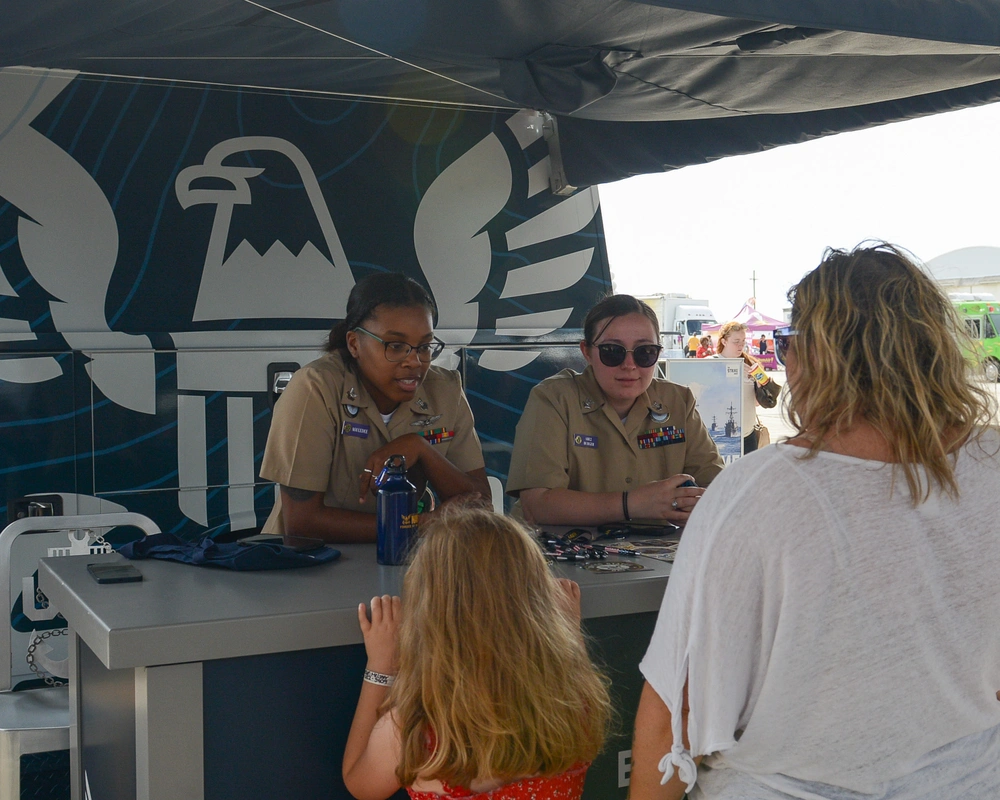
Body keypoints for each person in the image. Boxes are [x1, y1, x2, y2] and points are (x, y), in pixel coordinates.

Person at [630, 242, 1000, 800]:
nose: (785, 360)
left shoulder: (757, 490)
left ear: (819, 355)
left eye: (788, 343)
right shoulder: (992, 465)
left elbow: (671, 711)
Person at [342, 506, 612, 800]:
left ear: (428, 612)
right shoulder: (575, 700)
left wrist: (381, 666)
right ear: (540, 606)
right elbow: (575, 673)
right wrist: (570, 633)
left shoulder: (416, 727)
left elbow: (360, 784)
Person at [259, 272, 489, 542]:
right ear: (354, 343)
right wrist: (422, 524)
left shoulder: (445, 391)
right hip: (313, 567)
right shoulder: (316, 388)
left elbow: (482, 507)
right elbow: (302, 523)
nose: (414, 361)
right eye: (396, 345)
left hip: (407, 565)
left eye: (424, 346)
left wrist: (421, 449)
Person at [507, 294, 723, 526]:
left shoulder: (679, 402)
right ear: (587, 352)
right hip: (565, 555)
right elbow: (537, 505)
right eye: (612, 351)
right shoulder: (555, 400)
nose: (629, 365)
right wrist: (632, 504)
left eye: (644, 352)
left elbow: (719, 489)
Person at [713, 321, 779, 454]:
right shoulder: (712, 362)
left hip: (747, 434)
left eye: (743, 341)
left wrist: (762, 387)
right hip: (719, 436)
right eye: (736, 341)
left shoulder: (751, 364)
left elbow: (758, 403)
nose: (740, 345)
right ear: (724, 341)